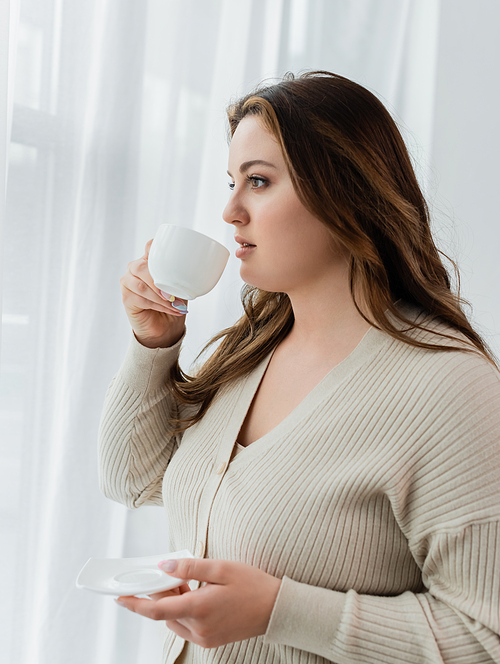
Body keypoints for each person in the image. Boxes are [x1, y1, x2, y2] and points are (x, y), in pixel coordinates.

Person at [99, 71, 500, 664]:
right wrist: (153, 344)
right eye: (231, 183)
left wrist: (277, 609)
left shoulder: (448, 388)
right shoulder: (249, 350)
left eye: (258, 182)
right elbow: (130, 480)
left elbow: (486, 639)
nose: (230, 211)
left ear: (344, 189)